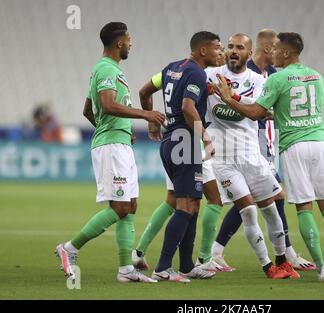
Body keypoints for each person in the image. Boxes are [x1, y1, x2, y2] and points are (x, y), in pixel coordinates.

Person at [214, 32, 324, 281]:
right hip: (320, 143)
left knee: (304, 209)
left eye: (276, 49)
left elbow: (256, 112)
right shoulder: (317, 76)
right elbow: (285, 109)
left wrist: (227, 98)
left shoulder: (277, 80)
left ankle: (322, 269)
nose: (272, 53)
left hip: (294, 146)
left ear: (287, 53)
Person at [55, 22, 166, 283]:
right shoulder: (105, 68)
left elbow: (87, 110)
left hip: (119, 143)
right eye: (129, 39)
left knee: (130, 205)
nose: (131, 44)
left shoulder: (110, 69)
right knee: (120, 206)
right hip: (111, 147)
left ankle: (126, 270)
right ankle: (69, 248)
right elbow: (106, 104)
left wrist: (119, 129)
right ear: (119, 43)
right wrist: (144, 114)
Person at [211, 28, 315, 272]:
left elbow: (265, 111)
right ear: (269, 49)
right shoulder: (254, 74)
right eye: (277, 47)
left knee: (254, 201)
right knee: (264, 199)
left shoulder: (269, 75)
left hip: (263, 145)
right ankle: (284, 253)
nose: (279, 52)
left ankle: (218, 251)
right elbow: (258, 111)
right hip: (248, 148)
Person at [131, 42, 232, 273]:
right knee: (188, 204)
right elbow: (187, 107)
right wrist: (206, 136)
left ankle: (185, 266)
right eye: (217, 47)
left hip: (173, 138)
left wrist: (153, 122)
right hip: (186, 140)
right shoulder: (196, 72)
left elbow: (144, 91)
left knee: (187, 203)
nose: (221, 52)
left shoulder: (171, 68)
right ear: (202, 50)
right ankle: (166, 266)